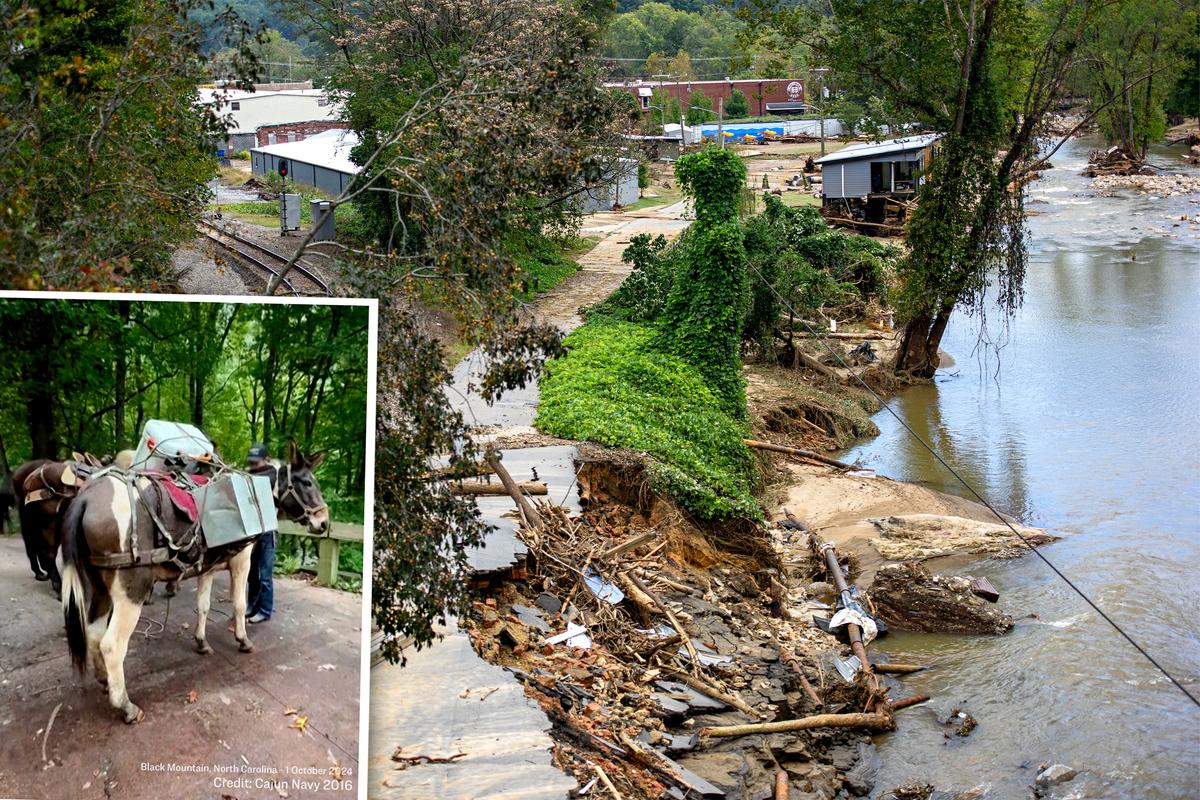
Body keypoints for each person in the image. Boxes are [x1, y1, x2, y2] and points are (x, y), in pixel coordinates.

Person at [245, 443, 276, 624]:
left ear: (267, 460)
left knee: (265, 574)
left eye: (258, 462)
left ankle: (265, 610)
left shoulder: (272, 473)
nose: (255, 466)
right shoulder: (251, 475)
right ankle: (252, 605)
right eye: (252, 463)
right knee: (251, 573)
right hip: (253, 531)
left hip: (267, 531)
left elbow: (263, 482)